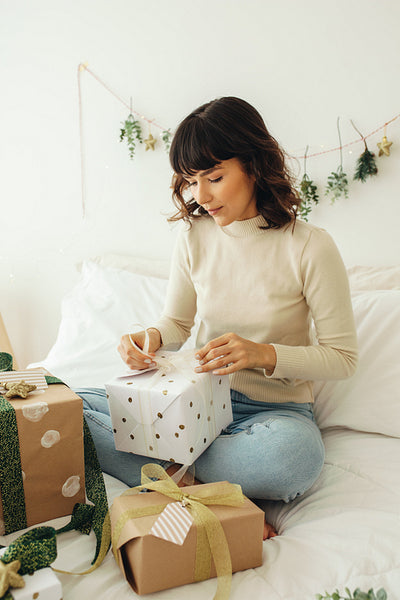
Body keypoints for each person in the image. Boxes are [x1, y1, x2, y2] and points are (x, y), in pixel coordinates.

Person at [76, 97, 358, 540]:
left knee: (293, 460)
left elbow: (342, 358)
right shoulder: (193, 237)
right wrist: (148, 338)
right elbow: (176, 326)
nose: (200, 196)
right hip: (194, 399)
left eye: (214, 177)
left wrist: (262, 354)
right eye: (190, 181)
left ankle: (173, 472)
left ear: (254, 165)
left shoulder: (310, 246)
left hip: (274, 413)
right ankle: (207, 487)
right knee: (64, 406)